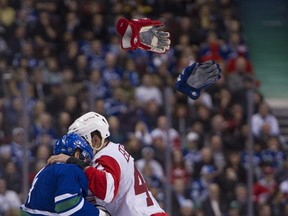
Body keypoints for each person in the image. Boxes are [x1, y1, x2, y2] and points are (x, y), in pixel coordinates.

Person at [48, 112, 168, 216]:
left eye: (81, 142)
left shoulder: (107, 156)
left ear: (95, 140)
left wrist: (73, 161)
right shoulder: (113, 151)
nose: (78, 147)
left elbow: (107, 191)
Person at [20, 133, 110, 216]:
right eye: (86, 157)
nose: (87, 163)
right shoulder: (70, 169)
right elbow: (66, 204)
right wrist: (99, 214)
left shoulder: (45, 169)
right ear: (77, 154)